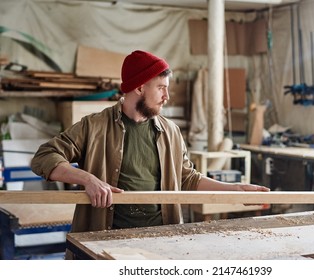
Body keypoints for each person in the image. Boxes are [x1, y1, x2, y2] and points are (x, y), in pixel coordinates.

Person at [31, 50, 270, 258]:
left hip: (162, 238)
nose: (167, 96)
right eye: (161, 88)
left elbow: (187, 178)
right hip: (107, 239)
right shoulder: (94, 127)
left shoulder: (171, 132)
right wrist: (88, 180)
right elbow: (44, 156)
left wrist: (236, 190)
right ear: (139, 87)